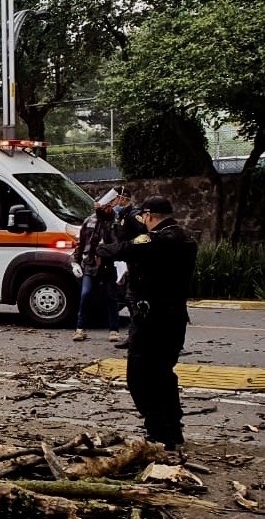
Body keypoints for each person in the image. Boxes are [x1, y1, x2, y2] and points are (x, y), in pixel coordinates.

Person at [96, 195, 197, 450]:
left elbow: (124, 248)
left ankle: (158, 431)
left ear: (150, 215)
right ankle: (172, 430)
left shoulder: (161, 240)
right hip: (174, 317)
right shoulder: (182, 237)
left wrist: (101, 249)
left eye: (144, 217)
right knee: (163, 374)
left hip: (153, 319)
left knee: (141, 376)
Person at [71, 202, 121, 343]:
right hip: (90, 263)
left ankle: (114, 330)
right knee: (86, 294)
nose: (106, 209)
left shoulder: (116, 222)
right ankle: (80, 329)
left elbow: (119, 242)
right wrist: (76, 261)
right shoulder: (89, 221)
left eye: (108, 207)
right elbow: (81, 242)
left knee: (111, 296)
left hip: (109, 263)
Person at [110, 187, 146, 350]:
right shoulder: (122, 215)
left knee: (133, 300)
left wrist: (132, 247)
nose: (113, 203)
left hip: (137, 263)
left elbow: (145, 234)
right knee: (130, 299)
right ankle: (135, 336)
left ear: (123, 199)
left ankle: (138, 337)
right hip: (128, 262)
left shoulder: (133, 215)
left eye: (114, 199)